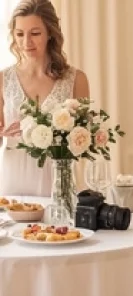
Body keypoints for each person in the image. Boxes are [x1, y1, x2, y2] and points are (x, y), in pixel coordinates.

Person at [0, 0, 89, 196]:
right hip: (13, 180)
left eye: (35, 33)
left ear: (50, 33)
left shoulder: (76, 79)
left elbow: (83, 141)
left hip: (58, 181)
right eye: (20, 34)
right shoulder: (2, 79)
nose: (26, 42)